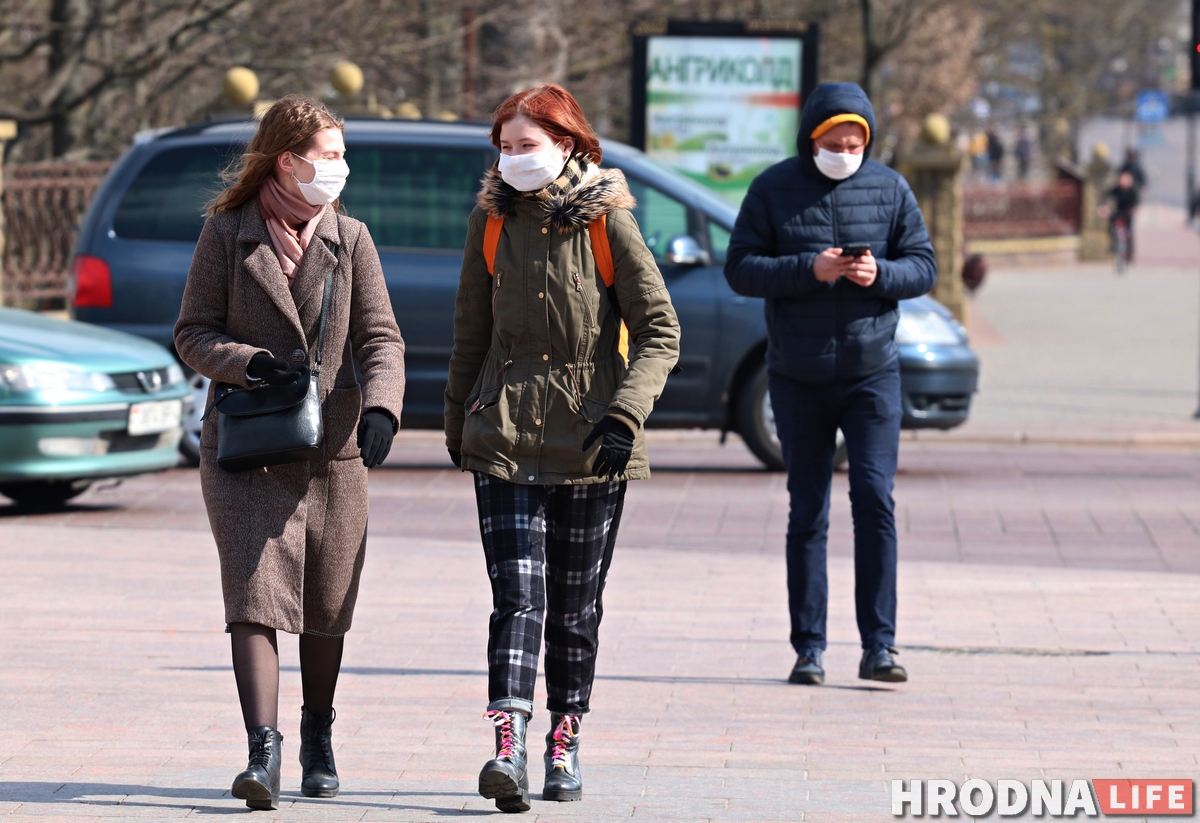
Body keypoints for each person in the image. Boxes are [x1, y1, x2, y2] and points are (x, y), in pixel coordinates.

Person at [445, 83, 679, 812]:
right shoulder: (490, 223)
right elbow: (470, 334)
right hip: (504, 436)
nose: (514, 158)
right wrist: (457, 425)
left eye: (528, 145)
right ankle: (507, 745)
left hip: (590, 444)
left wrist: (625, 415)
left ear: (567, 144)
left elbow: (660, 329)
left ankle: (564, 739)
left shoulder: (608, 222)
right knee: (517, 598)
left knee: (575, 608)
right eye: (505, 147)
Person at [174, 95, 405, 811]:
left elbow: (380, 337)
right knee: (254, 594)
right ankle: (262, 750)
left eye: (341, 155)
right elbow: (192, 332)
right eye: (329, 156)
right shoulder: (227, 232)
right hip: (247, 447)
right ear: (287, 160)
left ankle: (318, 733)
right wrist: (250, 363)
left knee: (327, 601)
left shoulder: (351, 238)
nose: (340, 168)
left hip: (331, 447)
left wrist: (382, 407)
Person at [724, 82, 936, 687]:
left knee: (874, 498)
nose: (845, 154)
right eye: (834, 143)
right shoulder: (772, 188)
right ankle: (809, 648)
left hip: (872, 373)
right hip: (798, 374)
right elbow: (741, 268)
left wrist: (880, 273)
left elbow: (923, 265)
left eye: (854, 145)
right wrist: (808, 269)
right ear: (811, 139)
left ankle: (880, 646)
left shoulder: (891, 188)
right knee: (808, 508)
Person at [1107, 170, 1140, 264]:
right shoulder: (1115, 190)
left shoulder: (1132, 191)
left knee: (1129, 231)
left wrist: (1135, 209)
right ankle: (1113, 247)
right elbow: (1108, 199)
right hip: (1117, 211)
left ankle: (1129, 251)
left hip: (1127, 212)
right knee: (1112, 228)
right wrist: (1105, 208)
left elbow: (1136, 202)